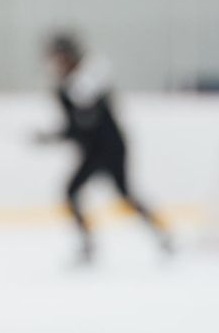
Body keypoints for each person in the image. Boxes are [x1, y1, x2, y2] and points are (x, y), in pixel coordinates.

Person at [35, 33, 172, 263]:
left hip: (110, 148)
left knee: (122, 195)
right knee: (74, 192)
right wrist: (52, 137)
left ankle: (160, 234)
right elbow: (76, 127)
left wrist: (52, 137)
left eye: (59, 56)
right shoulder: (68, 88)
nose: (55, 63)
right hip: (92, 150)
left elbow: (82, 125)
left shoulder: (87, 82)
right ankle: (90, 245)